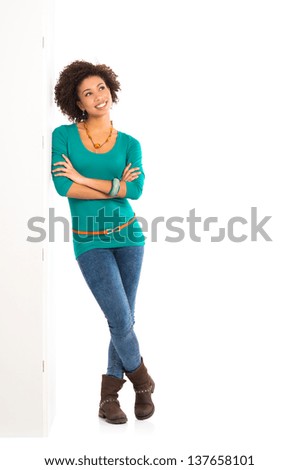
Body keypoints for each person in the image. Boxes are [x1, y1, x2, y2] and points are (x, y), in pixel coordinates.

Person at [51, 60, 155, 424]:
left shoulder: (130, 143)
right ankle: (142, 381)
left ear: (111, 89)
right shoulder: (62, 136)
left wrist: (85, 178)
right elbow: (63, 187)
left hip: (129, 237)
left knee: (122, 319)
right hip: (89, 242)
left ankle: (108, 397)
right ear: (77, 102)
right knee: (120, 317)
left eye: (101, 88)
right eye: (87, 93)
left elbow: (136, 190)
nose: (98, 96)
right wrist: (114, 187)